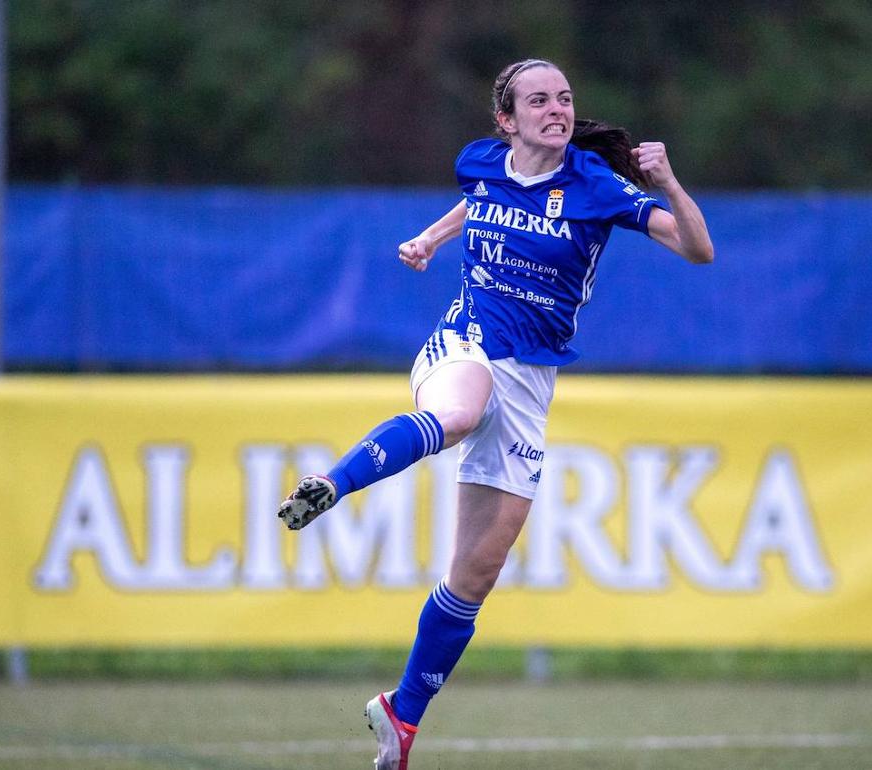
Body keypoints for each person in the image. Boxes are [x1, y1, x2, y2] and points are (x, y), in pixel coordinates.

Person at [278, 57, 713, 769]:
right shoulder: (479, 160)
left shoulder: (598, 186)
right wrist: (433, 237)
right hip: (466, 342)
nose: (557, 109)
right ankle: (333, 484)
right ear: (506, 120)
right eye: (538, 100)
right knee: (454, 413)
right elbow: (481, 195)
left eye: (565, 98)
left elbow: (699, 249)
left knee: (475, 575)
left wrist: (664, 182)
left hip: (530, 382)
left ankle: (401, 717)